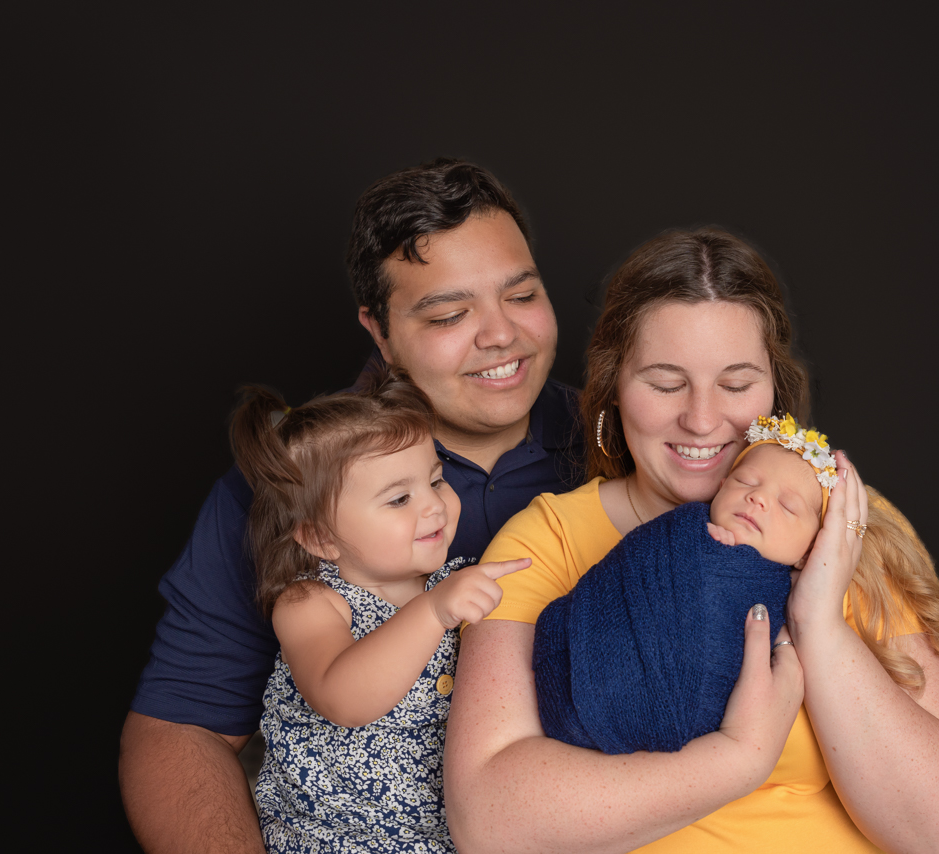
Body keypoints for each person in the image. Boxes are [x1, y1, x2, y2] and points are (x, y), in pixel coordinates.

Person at [444, 228, 939, 853]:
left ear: (775, 395)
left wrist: (818, 621)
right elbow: (488, 823)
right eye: (666, 383)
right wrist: (737, 761)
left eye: (735, 386)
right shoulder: (550, 540)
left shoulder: (846, 526)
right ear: (613, 387)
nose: (702, 420)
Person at [120, 158, 586, 853]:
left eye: (521, 296)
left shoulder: (625, 453)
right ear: (379, 330)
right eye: (451, 314)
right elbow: (180, 727)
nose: (500, 335)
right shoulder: (290, 482)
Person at [230, 372, 529, 852]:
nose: (434, 505)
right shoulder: (311, 603)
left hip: (447, 836)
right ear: (320, 538)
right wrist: (432, 612)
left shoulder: (456, 581)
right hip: (335, 838)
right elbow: (343, 698)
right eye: (399, 499)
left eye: (436, 480)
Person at [532, 415, 841, 754]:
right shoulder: (684, 529)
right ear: (721, 488)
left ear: (811, 549)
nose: (759, 498)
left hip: (671, 727)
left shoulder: (806, 600)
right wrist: (700, 550)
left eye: (787, 506)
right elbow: (631, 568)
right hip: (573, 678)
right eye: (745, 481)